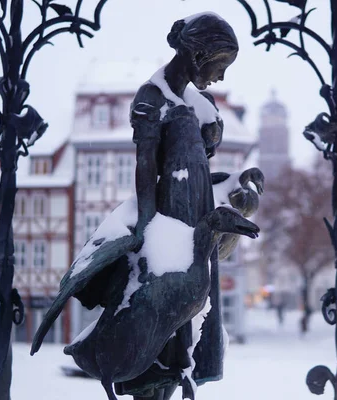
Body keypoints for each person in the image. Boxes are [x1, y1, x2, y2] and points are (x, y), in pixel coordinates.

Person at [115, 13, 241, 400]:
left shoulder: (201, 101)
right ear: (198, 53)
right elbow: (146, 165)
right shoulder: (152, 97)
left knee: (192, 312)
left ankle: (180, 375)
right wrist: (146, 226)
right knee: (168, 312)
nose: (219, 77)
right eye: (218, 66)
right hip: (171, 218)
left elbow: (201, 163)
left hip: (198, 212)